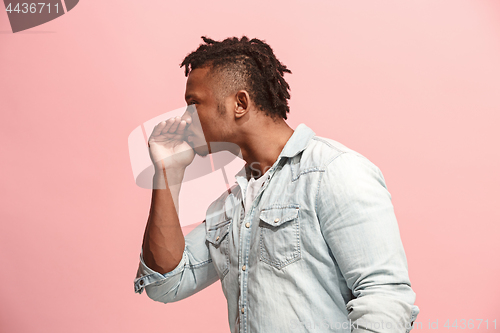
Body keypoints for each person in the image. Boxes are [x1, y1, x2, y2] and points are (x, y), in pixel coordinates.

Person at [134, 36, 420, 333]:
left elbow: (385, 302)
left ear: (240, 103)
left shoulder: (333, 171)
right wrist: (166, 173)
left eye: (193, 104)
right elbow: (166, 283)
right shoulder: (230, 206)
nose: (184, 119)